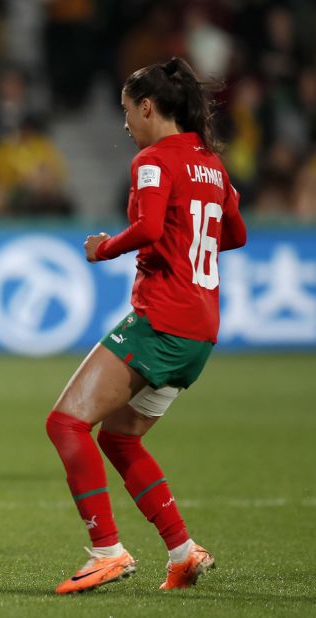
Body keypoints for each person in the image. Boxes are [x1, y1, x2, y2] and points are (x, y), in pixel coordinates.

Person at [45, 58, 247, 595]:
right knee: (120, 439)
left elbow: (152, 226)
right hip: (200, 329)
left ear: (148, 107)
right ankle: (183, 553)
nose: (126, 124)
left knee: (65, 424)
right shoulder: (211, 163)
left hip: (162, 320)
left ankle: (107, 551)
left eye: (127, 111)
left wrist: (103, 248)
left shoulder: (153, 160)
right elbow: (236, 234)